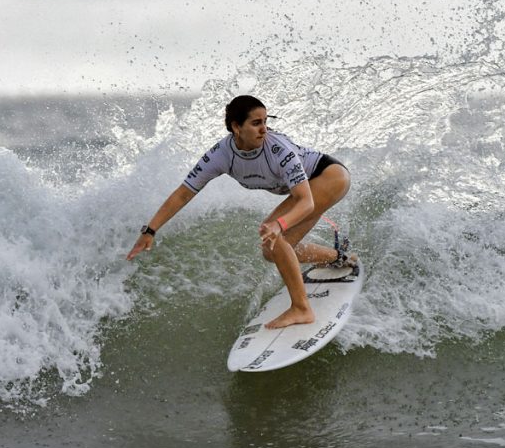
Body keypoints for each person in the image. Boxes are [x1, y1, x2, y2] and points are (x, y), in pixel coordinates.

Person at [126, 95, 353, 329]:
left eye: (265, 121)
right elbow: (183, 193)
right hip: (309, 188)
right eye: (256, 123)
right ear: (236, 127)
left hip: (329, 177)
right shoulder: (221, 155)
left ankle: (301, 309)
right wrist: (150, 230)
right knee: (271, 250)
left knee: (275, 237)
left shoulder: (278, 149)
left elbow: (306, 202)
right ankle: (338, 258)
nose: (264, 129)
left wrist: (279, 225)